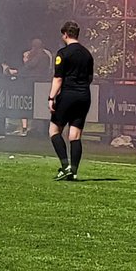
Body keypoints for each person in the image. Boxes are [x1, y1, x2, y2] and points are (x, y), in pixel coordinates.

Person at [48, 20, 94, 180]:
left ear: (65, 34)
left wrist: (51, 97)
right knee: (75, 135)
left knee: (54, 131)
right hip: (84, 96)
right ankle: (73, 172)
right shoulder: (87, 54)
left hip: (68, 94)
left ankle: (65, 165)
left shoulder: (63, 53)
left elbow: (58, 78)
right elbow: (90, 78)